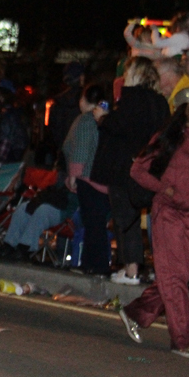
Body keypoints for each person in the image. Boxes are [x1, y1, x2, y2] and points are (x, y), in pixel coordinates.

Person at [120, 88, 189, 358]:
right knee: (174, 278)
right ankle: (183, 340)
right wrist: (165, 189)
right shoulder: (170, 139)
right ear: (184, 109)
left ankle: (135, 313)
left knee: (178, 278)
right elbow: (137, 169)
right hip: (169, 215)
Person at [90, 57, 169, 284]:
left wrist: (103, 118)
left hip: (124, 166)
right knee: (143, 218)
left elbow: (121, 126)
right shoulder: (160, 102)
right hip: (149, 167)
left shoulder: (132, 98)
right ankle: (150, 268)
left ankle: (131, 269)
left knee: (124, 217)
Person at [63, 84, 112, 275]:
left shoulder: (85, 119)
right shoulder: (106, 119)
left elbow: (80, 149)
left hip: (88, 178)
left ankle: (94, 264)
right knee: (97, 223)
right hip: (103, 178)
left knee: (92, 224)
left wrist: (74, 175)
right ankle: (95, 263)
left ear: (84, 100)